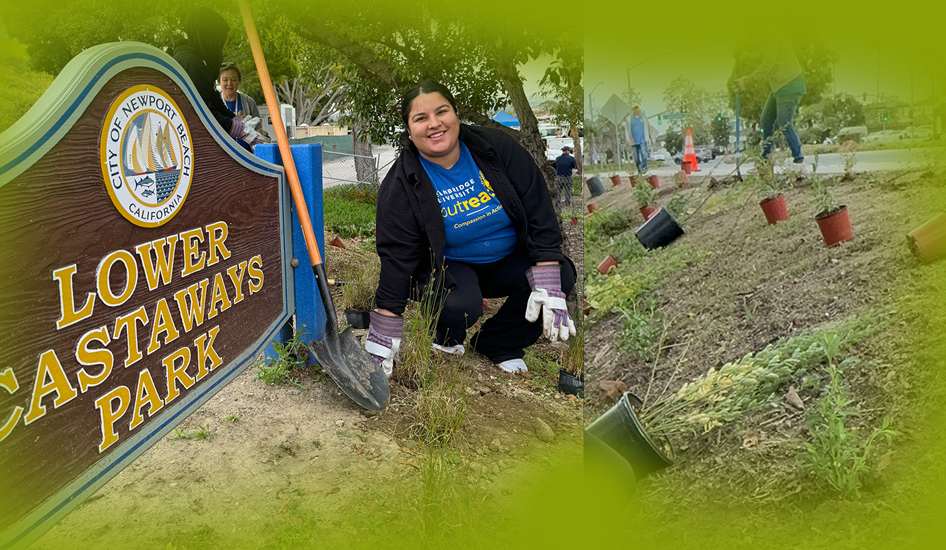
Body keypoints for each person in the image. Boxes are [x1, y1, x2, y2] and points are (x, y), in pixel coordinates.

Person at [365, 79, 577, 377]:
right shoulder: (402, 183)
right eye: (421, 118)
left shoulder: (497, 148)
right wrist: (384, 325)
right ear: (409, 130)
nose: (434, 124)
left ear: (455, 114)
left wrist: (548, 272)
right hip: (451, 266)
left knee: (559, 273)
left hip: (507, 259)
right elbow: (396, 255)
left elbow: (538, 207)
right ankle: (446, 337)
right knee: (460, 305)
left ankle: (497, 344)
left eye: (442, 112)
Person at [173, 7, 265, 152]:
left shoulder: (195, 61)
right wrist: (241, 130)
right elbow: (202, 112)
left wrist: (243, 123)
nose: (224, 47)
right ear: (209, 37)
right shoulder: (191, 63)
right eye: (222, 40)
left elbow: (215, 103)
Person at [734, 38, 806, 164]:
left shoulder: (772, 34)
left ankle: (799, 161)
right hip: (779, 87)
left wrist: (746, 81)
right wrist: (743, 55)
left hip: (790, 85)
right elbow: (762, 59)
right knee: (766, 119)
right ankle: (767, 157)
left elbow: (767, 65)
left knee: (784, 123)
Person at [630, 106, 647, 172]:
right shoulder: (630, 119)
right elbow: (627, 129)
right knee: (636, 157)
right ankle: (639, 168)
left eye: (637, 109)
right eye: (635, 110)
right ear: (633, 110)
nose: (637, 111)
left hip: (642, 139)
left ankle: (644, 167)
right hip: (633, 141)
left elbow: (648, 127)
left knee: (643, 153)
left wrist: (652, 138)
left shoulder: (643, 118)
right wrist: (628, 138)